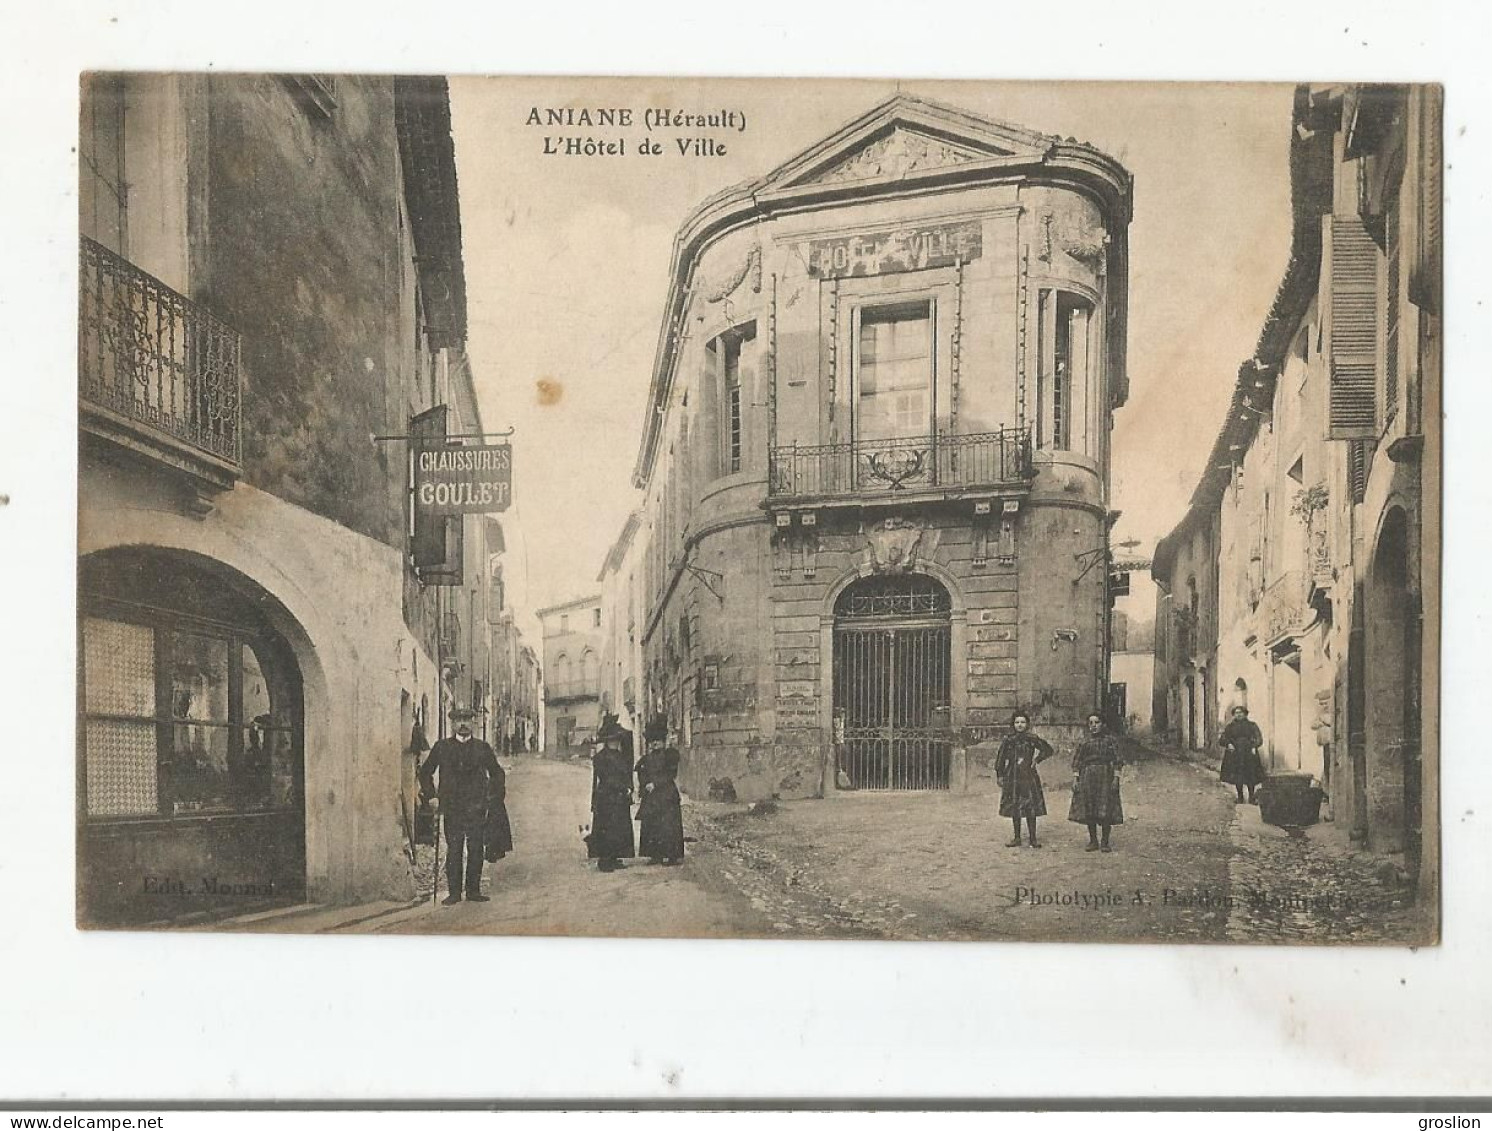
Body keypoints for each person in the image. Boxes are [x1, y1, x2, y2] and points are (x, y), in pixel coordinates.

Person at [419, 709, 503, 905]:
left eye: (467, 719)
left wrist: (493, 797)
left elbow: (497, 774)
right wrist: (431, 797)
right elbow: (425, 773)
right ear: (452, 724)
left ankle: (473, 891)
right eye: (458, 720)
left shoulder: (482, 748)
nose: (463, 724)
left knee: (475, 849)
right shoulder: (442, 747)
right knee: (454, 849)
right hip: (452, 808)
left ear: (473, 722)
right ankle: (454, 893)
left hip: (476, 808)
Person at [993, 711, 1054, 848]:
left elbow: (1048, 750)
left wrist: (1037, 759)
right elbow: (1000, 759)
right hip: (1012, 776)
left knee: (1030, 806)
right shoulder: (1009, 740)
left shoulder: (1032, 738)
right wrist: (1000, 775)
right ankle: (1017, 837)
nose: (1019, 725)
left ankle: (1033, 838)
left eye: (1022, 722)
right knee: (1015, 806)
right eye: (1017, 722)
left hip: (1028, 776)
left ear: (1027, 724)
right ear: (1013, 724)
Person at [1068, 712, 1125, 852]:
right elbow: (1077, 761)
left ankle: (1105, 842)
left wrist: (1116, 778)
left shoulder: (1110, 741)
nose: (1094, 726)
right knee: (1090, 808)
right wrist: (1076, 778)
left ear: (1103, 724)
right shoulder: (1084, 742)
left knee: (1106, 808)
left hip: (1105, 775)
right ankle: (1093, 840)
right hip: (1088, 777)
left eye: (1097, 722)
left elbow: (1118, 760)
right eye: (1091, 723)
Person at [586, 713, 635, 872]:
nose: (615, 742)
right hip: (607, 798)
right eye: (612, 740)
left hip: (619, 799)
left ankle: (614, 857)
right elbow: (606, 779)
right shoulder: (601, 758)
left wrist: (629, 787)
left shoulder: (620, 756)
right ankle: (604, 860)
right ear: (607, 741)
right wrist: (622, 788)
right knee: (606, 829)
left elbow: (626, 773)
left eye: (617, 739)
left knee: (618, 829)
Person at [636, 716, 685, 865]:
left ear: (663, 741)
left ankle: (671, 855)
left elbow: (671, 774)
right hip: (652, 797)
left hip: (667, 793)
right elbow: (642, 774)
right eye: (652, 741)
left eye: (658, 740)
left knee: (668, 825)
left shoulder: (670, 755)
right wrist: (644, 784)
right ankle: (655, 854)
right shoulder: (647, 758)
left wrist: (655, 784)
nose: (655, 743)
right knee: (653, 825)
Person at [1219, 705, 1266, 804]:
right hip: (1235, 754)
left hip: (1249, 754)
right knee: (1237, 776)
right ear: (1234, 715)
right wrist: (1228, 744)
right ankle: (1240, 797)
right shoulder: (1230, 727)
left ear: (1245, 714)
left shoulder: (1252, 726)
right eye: (1236, 713)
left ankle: (1252, 797)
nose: (1238, 715)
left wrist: (1254, 746)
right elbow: (1222, 739)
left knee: (1251, 776)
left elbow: (1259, 738)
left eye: (1240, 713)